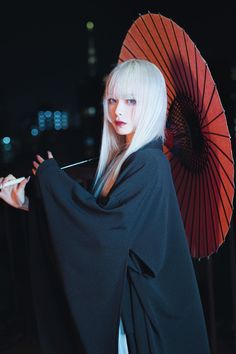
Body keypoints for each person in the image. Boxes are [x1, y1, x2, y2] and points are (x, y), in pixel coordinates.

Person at [0, 59, 210, 354]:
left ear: (150, 103)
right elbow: (95, 215)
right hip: (126, 300)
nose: (118, 111)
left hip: (141, 306)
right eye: (112, 99)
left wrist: (52, 182)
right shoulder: (126, 160)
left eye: (131, 101)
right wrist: (32, 199)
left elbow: (105, 228)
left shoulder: (149, 163)